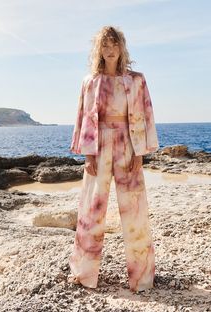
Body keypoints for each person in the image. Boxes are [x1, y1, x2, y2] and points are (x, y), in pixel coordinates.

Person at [68, 25, 159, 292]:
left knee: (135, 212)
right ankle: (83, 274)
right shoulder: (90, 82)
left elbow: (146, 115)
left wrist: (140, 153)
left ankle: (143, 278)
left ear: (122, 48)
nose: (110, 50)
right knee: (91, 211)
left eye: (114, 44)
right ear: (99, 49)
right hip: (97, 148)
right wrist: (88, 155)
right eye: (105, 45)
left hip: (128, 145)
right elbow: (84, 118)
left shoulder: (137, 80)